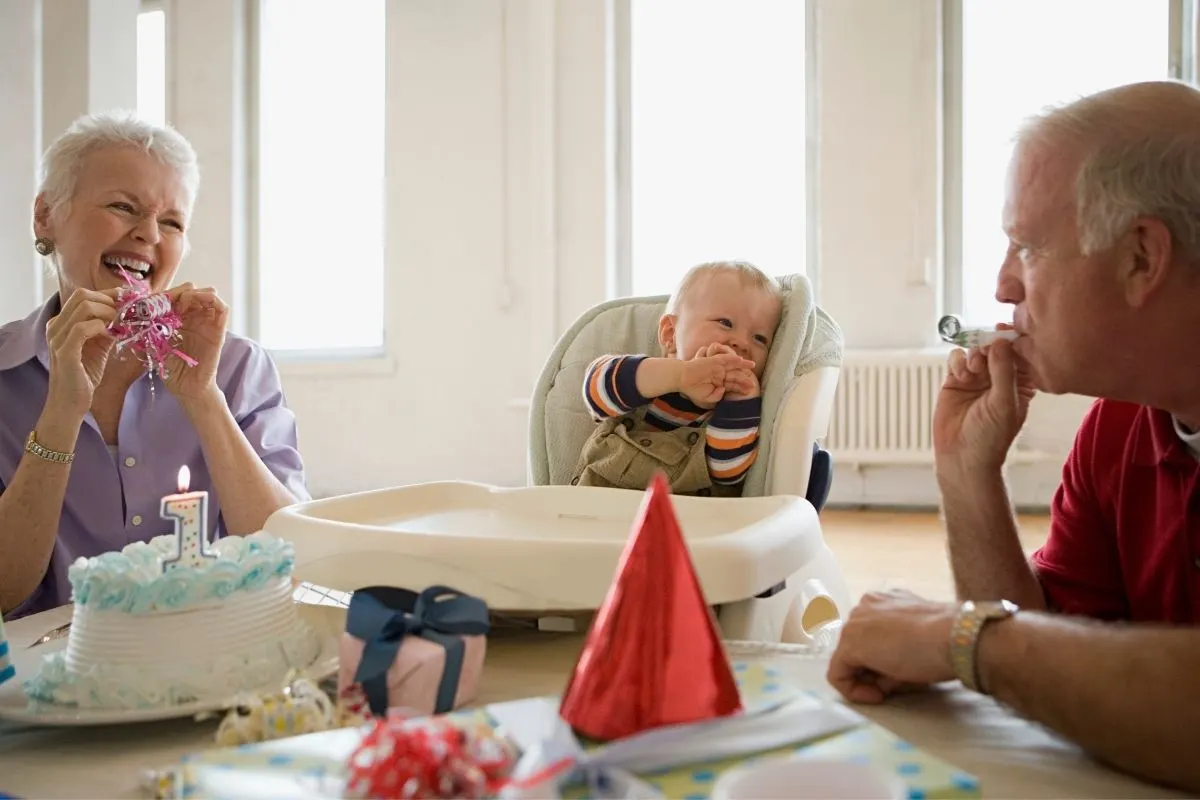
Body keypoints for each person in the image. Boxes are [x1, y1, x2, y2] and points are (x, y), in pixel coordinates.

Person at [827, 80, 1200, 794]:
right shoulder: (1120, 425)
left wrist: (958, 636)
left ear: (1142, 258)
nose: (1002, 287)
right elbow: (1056, 672)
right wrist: (968, 475)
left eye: (1027, 246)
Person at [0, 112, 309, 620]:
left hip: (211, 665)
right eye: (124, 207)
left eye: (172, 222)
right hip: (44, 685)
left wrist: (203, 397)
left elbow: (290, 560)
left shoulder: (237, 367)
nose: (149, 234)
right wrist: (61, 412)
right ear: (45, 216)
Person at [574, 260, 781, 495]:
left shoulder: (739, 410)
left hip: (684, 524)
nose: (742, 343)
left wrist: (740, 400)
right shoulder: (650, 380)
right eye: (725, 323)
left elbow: (727, 470)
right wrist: (681, 375)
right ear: (671, 334)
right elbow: (595, 389)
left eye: (759, 339)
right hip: (597, 513)